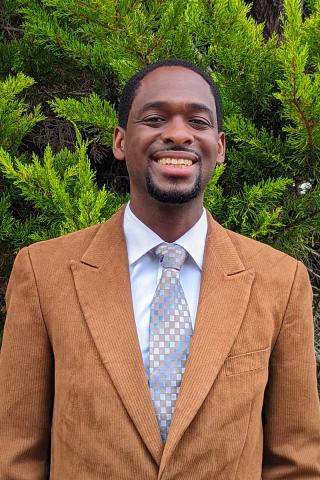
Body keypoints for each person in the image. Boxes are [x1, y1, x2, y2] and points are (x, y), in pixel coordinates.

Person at [0, 59, 319, 479]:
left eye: (198, 121)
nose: (178, 133)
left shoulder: (281, 281)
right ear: (120, 141)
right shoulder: (44, 273)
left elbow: (295, 463)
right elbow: (17, 456)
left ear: (219, 147)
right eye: (154, 118)